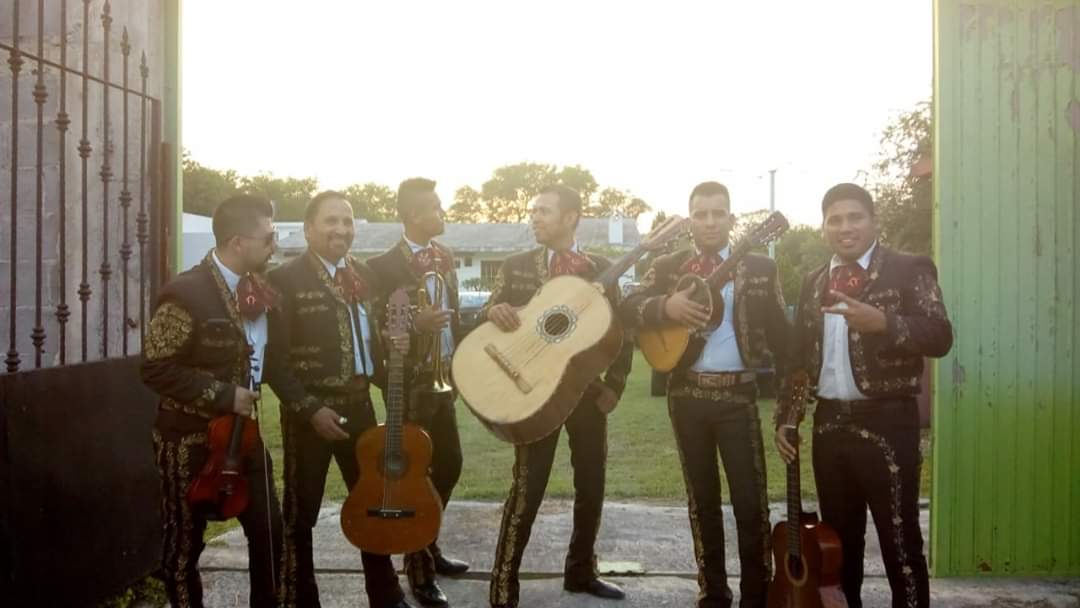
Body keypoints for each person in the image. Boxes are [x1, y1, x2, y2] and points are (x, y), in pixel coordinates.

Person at [775, 182, 953, 608]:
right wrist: (787, 415)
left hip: (888, 422)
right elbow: (798, 357)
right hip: (830, 424)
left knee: (900, 543)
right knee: (837, 547)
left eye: (855, 217)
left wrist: (885, 323)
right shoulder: (814, 281)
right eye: (835, 219)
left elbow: (941, 335)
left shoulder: (909, 269)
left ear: (874, 221)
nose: (845, 227)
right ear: (823, 228)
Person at [621, 181, 789, 608]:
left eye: (719, 213)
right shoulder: (670, 264)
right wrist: (666, 308)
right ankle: (713, 593)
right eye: (701, 213)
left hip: (738, 396)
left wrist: (791, 397)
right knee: (703, 502)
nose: (710, 222)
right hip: (687, 396)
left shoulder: (760, 267)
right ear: (690, 219)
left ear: (733, 219)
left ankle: (756, 596)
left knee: (751, 506)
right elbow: (629, 305)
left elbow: (783, 337)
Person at [484, 184, 633, 608]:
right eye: (533, 210)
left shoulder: (602, 267)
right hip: (534, 395)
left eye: (544, 211)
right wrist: (491, 312)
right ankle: (502, 585)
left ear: (571, 218)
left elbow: (624, 332)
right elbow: (486, 317)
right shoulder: (515, 266)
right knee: (527, 490)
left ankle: (581, 572)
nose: (535, 217)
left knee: (592, 485)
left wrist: (616, 388)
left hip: (588, 392)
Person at [267, 190, 411, 608]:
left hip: (361, 406)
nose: (341, 230)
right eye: (331, 221)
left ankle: (385, 595)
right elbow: (275, 363)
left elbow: (373, 345)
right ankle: (300, 598)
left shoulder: (365, 275)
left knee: (373, 503)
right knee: (301, 513)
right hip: (311, 414)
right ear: (309, 228)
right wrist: (310, 409)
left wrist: (394, 350)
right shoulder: (283, 280)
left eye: (347, 222)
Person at [141, 194, 283, 608]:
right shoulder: (186, 293)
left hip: (245, 436)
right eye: (268, 236)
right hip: (189, 440)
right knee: (184, 544)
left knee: (269, 530)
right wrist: (224, 394)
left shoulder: (260, 290)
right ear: (239, 242)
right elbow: (155, 368)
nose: (274, 243)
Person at [367, 177, 468, 608]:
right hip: (408, 387)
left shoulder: (443, 258)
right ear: (412, 215)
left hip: (442, 381)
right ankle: (419, 569)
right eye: (434, 206)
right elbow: (376, 328)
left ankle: (425, 543)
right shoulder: (382, 266)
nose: (442, 211)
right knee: (417, 475)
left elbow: (454, 317)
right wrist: (415, 325)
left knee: (450, 466)